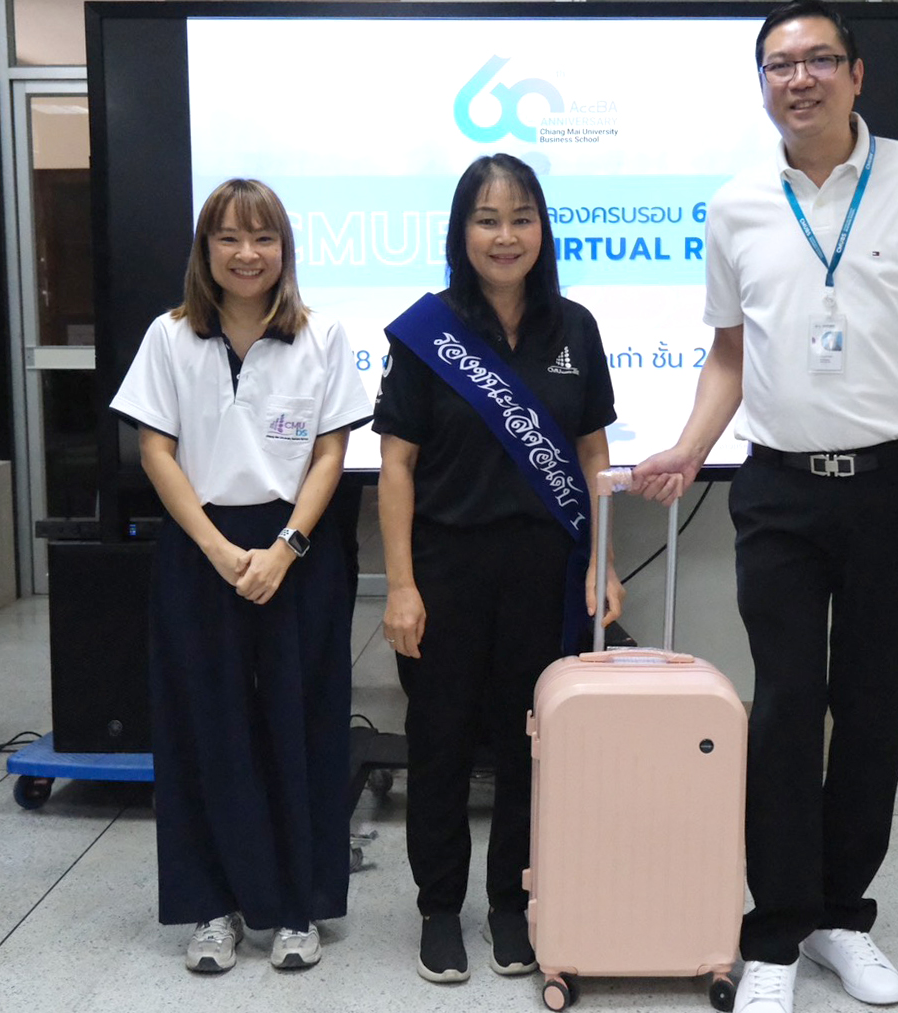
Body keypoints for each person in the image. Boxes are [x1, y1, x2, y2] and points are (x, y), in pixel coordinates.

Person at [632, 4, 898, 1011]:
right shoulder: (736, 205)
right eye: (779, 65)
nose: (799, 79)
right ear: (762, 86)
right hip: (779, 489)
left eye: (818, 60)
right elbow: (729, 353)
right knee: (788, 705)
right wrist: (689, 447)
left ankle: (843, 914)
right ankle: (776, 930)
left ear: (856, 74)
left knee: (871, 704)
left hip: (892, 484)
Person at [109, 178, 372, 975]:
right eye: (228, 237)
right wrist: (219, 549)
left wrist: (286, 546)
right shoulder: (170, 336)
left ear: (285, 248)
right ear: (206, 249)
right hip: (201, 547)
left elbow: (331, 452)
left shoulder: (321, 336)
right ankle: (213, 905)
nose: (246, 253)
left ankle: (297, 907)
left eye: (263, 237)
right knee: (204, 726)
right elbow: (155, 450)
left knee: (302, 722)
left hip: (299, 548)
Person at [374, 153, 622, 983]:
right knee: (439, 742)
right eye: (487, 219)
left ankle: (513, 904)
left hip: (543, 568)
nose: (505, 235)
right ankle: (439, 909)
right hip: (445, 565)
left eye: (521, 218)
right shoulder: (427, 332)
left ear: (542, 229)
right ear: (462, 232)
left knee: (530, 743)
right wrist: (400, 585)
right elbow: (397, 466)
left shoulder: (575, 327)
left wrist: (602, 562)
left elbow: (592, 454)